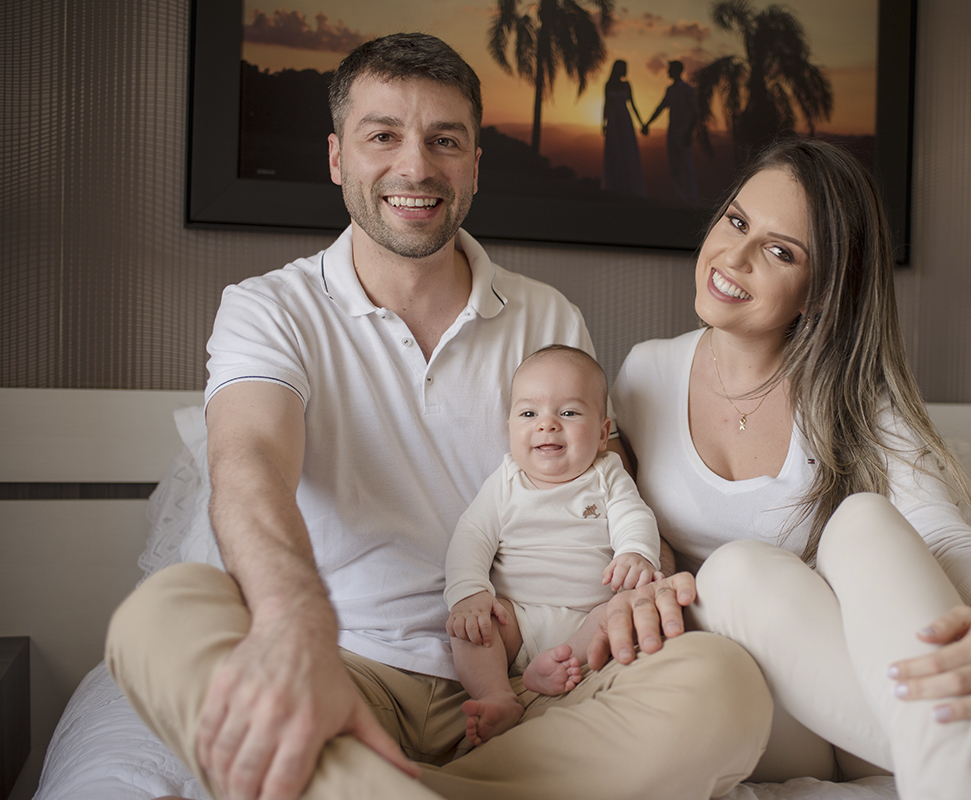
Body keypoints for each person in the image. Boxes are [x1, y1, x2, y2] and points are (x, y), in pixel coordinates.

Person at [104, 32, 771, 800]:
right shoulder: (269, 308)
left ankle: (382, 788)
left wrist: (637, 586)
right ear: (336, 157)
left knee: (724, 683)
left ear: (475, 166)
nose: (414, 167)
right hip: (340, 669)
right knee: (158, 617)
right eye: (382, 136)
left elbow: (604, 476)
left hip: (525, 678)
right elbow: (249, 459)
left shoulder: (548, 317)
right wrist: (293, 624)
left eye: (443, 140)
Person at [597, 135, 971, 799]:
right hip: (754, 704)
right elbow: (610, 515)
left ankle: (958, 777)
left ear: (819, 291)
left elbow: (941, 529)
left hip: (860, 683)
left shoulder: (856, 391)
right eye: (737, 221)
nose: (736, 257)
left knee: (864, 517)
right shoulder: (644, 375)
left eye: (781, 252)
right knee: (730, 574)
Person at [443, 345, 660, 746]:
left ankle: (554, 667)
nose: (547, 425)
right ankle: (496, 694)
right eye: (529, 414)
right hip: (516, 619)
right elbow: (471, 535)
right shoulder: (506, 482)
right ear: (509, 427)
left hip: (586, 618)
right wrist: (469, 593)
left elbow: (635, 515)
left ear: (600, 433)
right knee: (472, 630)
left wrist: (635, 552)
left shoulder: (606, 474)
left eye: (569, 413)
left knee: (617, 616)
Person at [641, 60, 700, 204]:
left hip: (683, 133)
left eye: (670, 69)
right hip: (673, 134)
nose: (667, 72)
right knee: (674, 168)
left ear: (677, 71)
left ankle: (693, 200)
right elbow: (660, 108)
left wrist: (688, 133)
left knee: (687, 166)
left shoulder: (687, 90)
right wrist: (647, 123)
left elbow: (695, 113)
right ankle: (681, 197)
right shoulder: (670, 90)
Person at [601, 60, 646, 196]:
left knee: (627, 149)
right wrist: (603, 123)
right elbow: (606, 105)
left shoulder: (627, 85)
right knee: (615, 149)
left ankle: (630, 184)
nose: (625, 70)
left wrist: (641, 123)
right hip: (613, 120)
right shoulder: (608, 85)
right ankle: (615, 184)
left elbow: (633, 105)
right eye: (623, 68)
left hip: (625, 119)